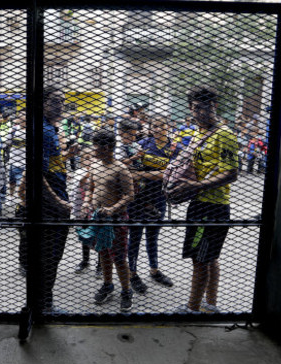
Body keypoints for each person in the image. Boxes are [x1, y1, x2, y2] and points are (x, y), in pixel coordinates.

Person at [172, 86, 238, 314]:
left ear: (215, 107)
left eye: (206, 108)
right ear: (190, 109)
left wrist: (197, 186)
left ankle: (192, 308)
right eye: (196, 108)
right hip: (198, 203)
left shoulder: (225, 134)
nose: (201, 113)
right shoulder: (198, 133)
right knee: (209, 258)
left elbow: (231, 173)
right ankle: (210, 303)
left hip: (213, 207)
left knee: (200, 260)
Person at [83, 129, 135, 312]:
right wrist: (86, 203)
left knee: (119, 258)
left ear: (106, 147)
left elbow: (130, 195)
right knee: (103, 253)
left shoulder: (121, 169)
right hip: (98, 218)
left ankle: (126, 291)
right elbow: (90, 188)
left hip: (116, 219)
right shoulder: (95, 166)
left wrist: (112, 209)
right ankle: (108, 284)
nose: (93, 149)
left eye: (96, 145)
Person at [41, 86, 79, 312]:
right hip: (51, 206)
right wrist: (59, 203)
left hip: (56, 200)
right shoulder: (44, 131)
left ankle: (44, 301)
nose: (60, 106)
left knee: (51, 256)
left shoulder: (50, 129)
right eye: (55, 101)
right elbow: (37, 173)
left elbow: (50, 164)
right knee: (50, 257)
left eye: (62, 101)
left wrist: (67, 155)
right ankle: (44, 304)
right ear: (43, 103)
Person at [127, 115, 174, 293]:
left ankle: (154, 270)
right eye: (154, 125)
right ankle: (132, 273)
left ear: (167, 127)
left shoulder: (174, 146)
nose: (157, 129)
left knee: (152, 235)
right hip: (138, 197)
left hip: (159, 197)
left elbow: (170, 174)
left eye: (161, 125)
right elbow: (130, 168)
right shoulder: (142, 143)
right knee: (135, 236)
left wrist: (143, 175)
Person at [7, 111, 26, 198]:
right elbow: (8, 142)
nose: (23, 122)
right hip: (13, 161)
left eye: (24, 120)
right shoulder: (14, 129)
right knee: (12, 181)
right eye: (21, 119)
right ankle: (10, 197)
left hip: (24, 163)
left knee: (21, 184)